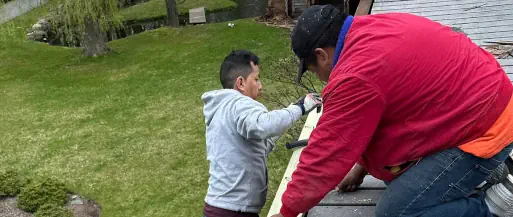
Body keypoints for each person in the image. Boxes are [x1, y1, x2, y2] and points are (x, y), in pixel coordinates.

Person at [270, 4, 513, 217]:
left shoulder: (356, 74)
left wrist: (287, 212)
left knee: (398, 210)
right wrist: (361, 168)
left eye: (314, 71)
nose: (323, 79)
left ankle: (493, 207)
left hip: (486, 129)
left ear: (321, 56)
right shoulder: (371, 29)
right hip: (487, 103)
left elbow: (327, 153)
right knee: (397, 178)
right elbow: (375, 118)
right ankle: (490, 172)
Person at [201, 50, 322, 217]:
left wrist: (294, 114)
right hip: (235, 212)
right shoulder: (240, 103)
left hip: (218, 209)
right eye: (256, 79)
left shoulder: (222, 110)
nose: (260, 85)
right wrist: (299, 108)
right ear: (241, 83)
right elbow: (264, 126)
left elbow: (260, 144)